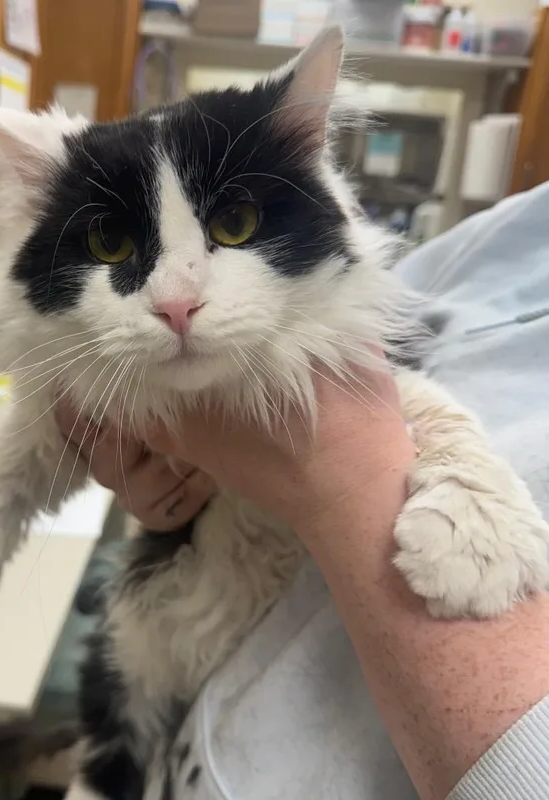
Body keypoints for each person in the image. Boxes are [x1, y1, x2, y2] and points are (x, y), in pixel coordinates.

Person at [57, 182, 549, 800]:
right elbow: (355, 326)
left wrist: (335, 476)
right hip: (181, 718)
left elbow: (356, 389)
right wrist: (175, 462)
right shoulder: (512, 224)